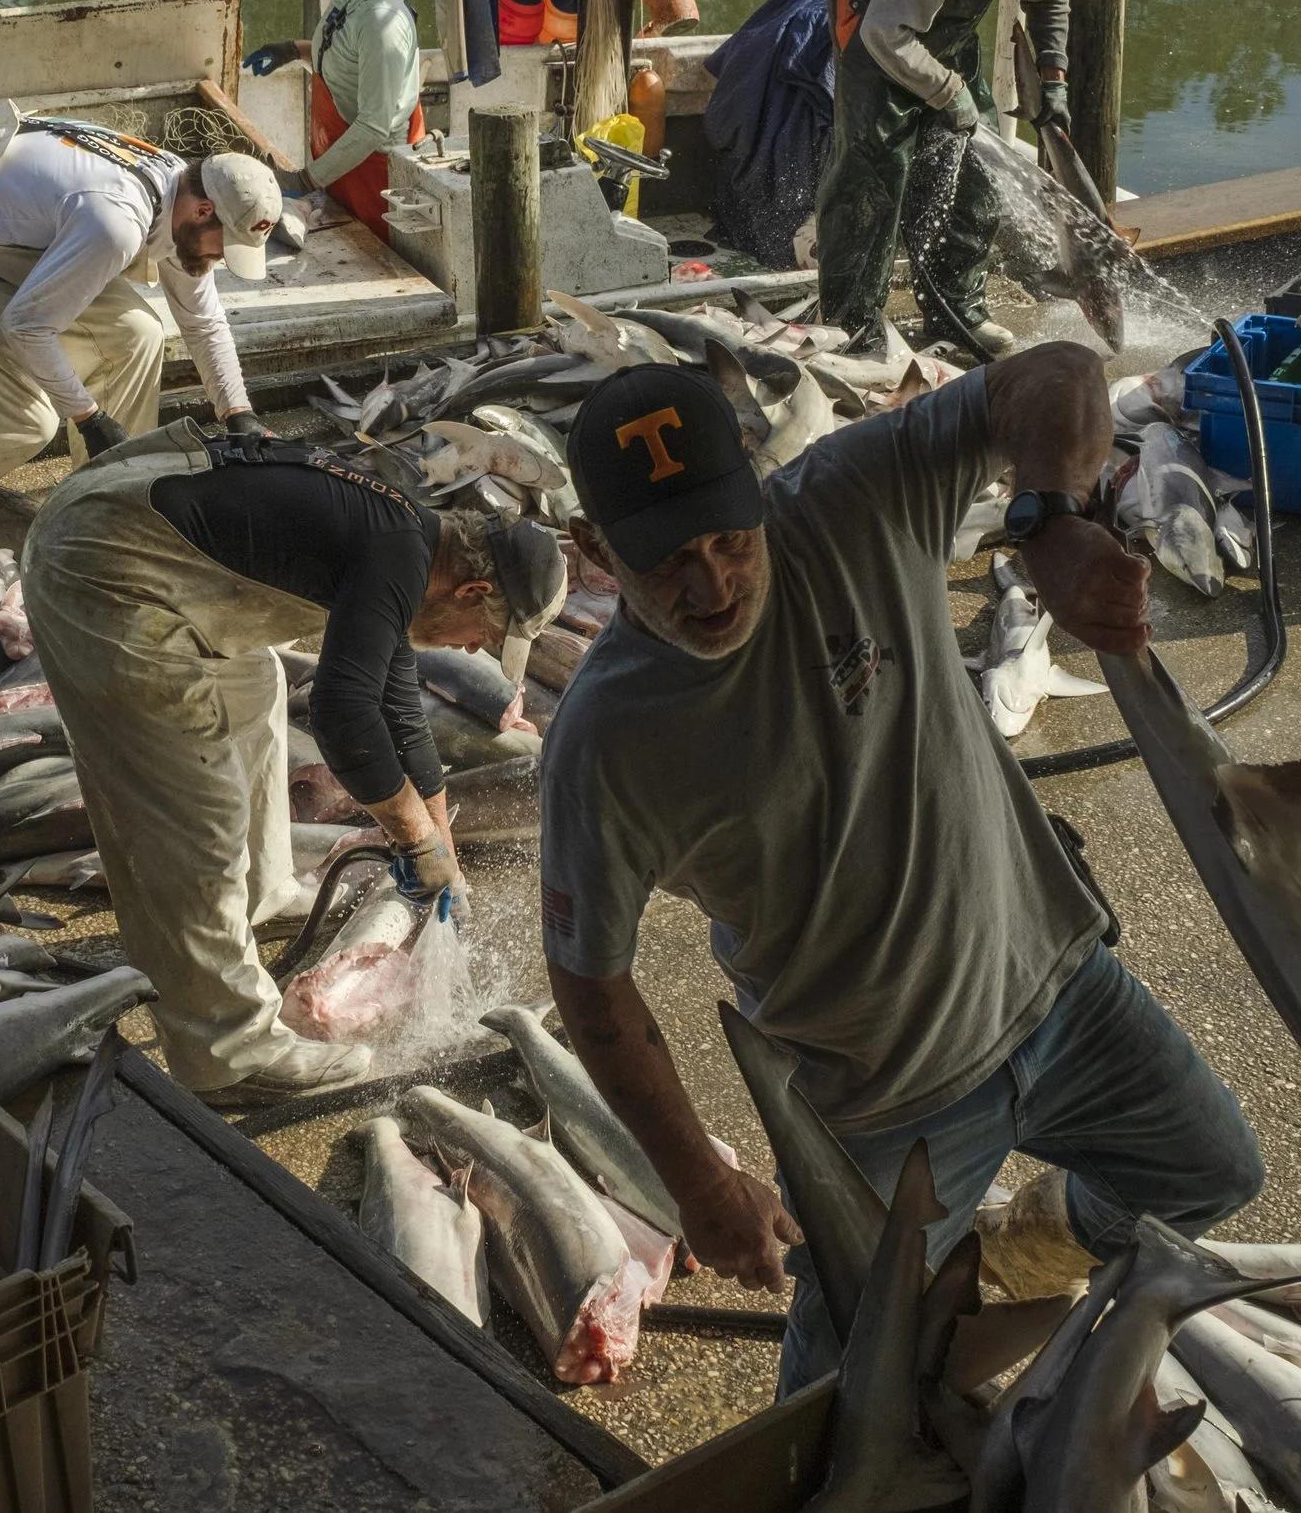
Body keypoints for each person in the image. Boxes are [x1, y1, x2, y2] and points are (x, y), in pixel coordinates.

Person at [537, 347, 1263, 1393]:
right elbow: (590, 981)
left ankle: (1025, 1247)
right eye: (664, 562)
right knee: (840, 1407)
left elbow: (1053, 370)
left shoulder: (851, 498)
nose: (711, 583)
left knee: (1211, 1172)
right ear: (591, 546)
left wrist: (1050, 519)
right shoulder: (603, 744)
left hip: (1058, 987)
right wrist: (697, 1179)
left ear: (756, 485)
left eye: (728, 537)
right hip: (878, 1101)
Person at [23, 419, 566, 1106]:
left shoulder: (409, 543)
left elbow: (396, 706)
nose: (467, 652)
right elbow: (344, 717)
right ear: (471, 592)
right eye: (480, 638)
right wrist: (413, 838)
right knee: (195, 817)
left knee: (258, 686)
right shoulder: (397, 557)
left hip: (131, 536)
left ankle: (260, 890)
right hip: (105, 569)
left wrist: (443, 842)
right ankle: (227, 1052)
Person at [0, 107, 282, 541]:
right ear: (204, 211)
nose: (221, 258)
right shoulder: (116, 222)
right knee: (20, 421)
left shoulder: (183, 188)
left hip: (12, 227)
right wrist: (89, 418)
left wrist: (238, 413)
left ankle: (105, 504)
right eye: (226, 246)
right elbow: (26, 327)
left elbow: (203, 322)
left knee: (138, 335)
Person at [811, 0, 1124, 352]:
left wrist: (1053, 76)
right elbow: (885, 33)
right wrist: (949, 92)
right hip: (874, 26)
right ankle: (853, 331)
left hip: (945, 36)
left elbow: (1047, 1)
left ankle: (955, 310)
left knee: (977, 186)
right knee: (873, 180)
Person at [241, 0, 426, 243]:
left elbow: (373, 126)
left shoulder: (379, 19)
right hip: (343, 175)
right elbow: (346, 53)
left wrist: (305, 180)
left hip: (379, 186)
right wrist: (294, 50)